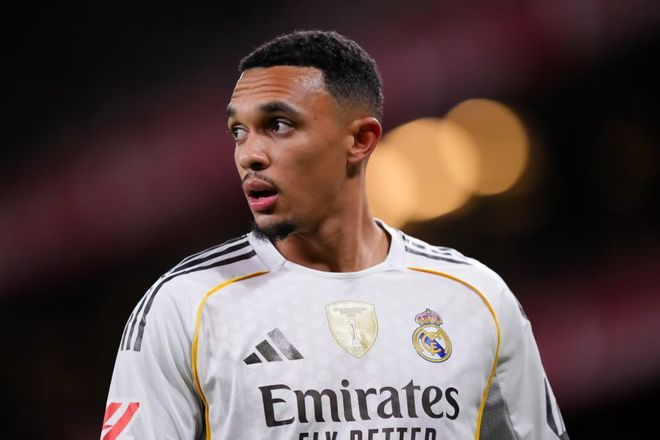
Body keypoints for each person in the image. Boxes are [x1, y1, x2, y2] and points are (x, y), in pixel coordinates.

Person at [101, 30, 568, 440]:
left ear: (361, 140)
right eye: (238, 131)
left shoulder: (476, 297)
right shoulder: (186, 306)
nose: (248, 155)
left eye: (277, 125)